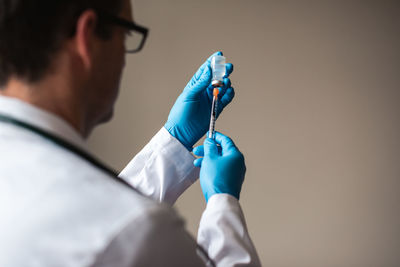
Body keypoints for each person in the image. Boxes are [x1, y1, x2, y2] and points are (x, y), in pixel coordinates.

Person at [0, 0, 261, 266]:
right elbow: (119, 229)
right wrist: (222, 203)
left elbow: (94, 216)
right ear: (87, 36)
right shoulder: (137, 231)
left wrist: (175, 139)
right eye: (125, 35)